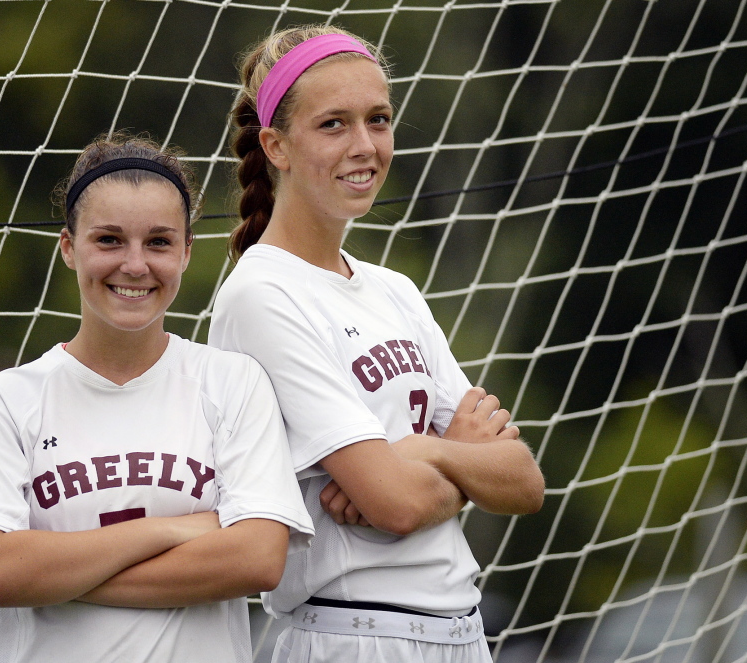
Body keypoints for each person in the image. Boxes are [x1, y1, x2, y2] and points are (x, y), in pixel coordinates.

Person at [208, 26, 545, 663]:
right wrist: (454, 462)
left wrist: (419, 450)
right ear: (276, 145)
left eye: (379, 119)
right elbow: (395, 503)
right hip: (354, 634)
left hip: (464, 631)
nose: (365, 146)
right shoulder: (263, 294)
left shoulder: (392, 290)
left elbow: (524, 481)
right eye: (334, 124)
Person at [0, 134, 314, 663]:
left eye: (158, 242)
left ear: (186, 251)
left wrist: (53, 575)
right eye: (109, 240)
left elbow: (256, 559)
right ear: (69, 247)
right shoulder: (1, 402)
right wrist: (177, 529)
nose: (135, 265)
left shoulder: (233, 384)